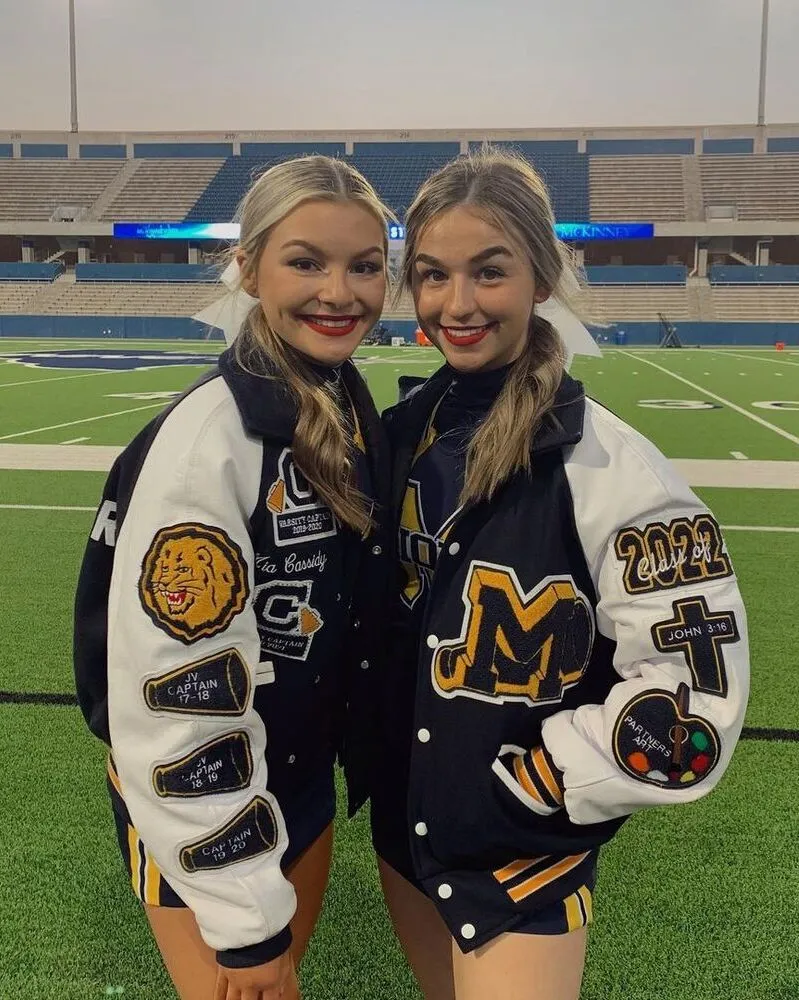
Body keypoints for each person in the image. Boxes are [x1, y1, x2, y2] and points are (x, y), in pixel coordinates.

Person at [370, 150, 749, 1000]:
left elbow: (697, 699)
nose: (456, 304)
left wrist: (542, 782)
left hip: (521, 855)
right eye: (432, 275)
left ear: (540, 277)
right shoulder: (400, 433)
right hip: (407, 830)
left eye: (488, 272)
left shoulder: (615, 469)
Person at [73, 155, 393, 1000]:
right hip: (204, 788)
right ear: (248, 269)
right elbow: (173, 696)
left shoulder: (341, 402)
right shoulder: (210, 441)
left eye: (364, 266)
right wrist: (243, 916)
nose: (339, 291)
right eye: (305, 262)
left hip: (297, 773)